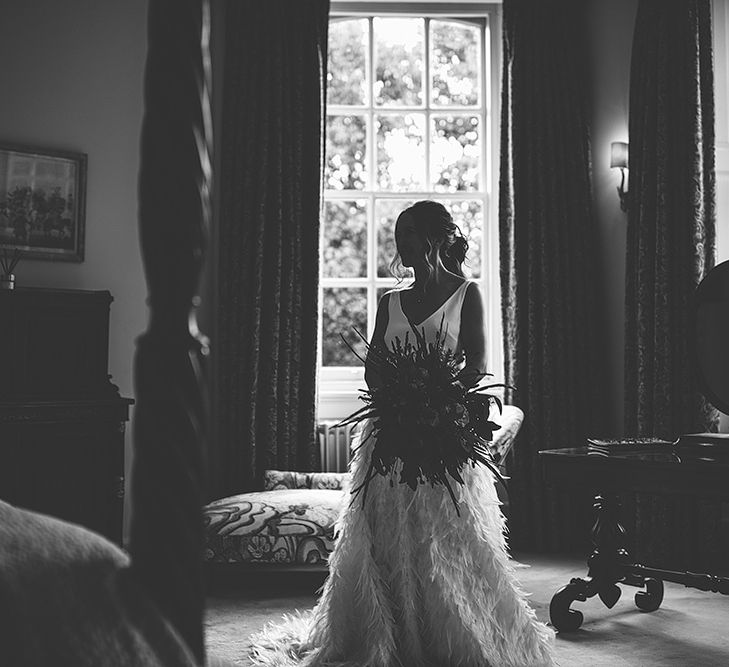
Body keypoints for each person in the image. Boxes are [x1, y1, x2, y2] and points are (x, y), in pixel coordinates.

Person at [249, 201, 555, 666]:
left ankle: (451, 634)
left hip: (444, 434)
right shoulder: (389, 302)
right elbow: (373, 367)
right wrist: (399, 398)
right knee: (385, 536)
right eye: (397, 233)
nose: (400, 241)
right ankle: (386, 634)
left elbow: (475, 365)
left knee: (443, 539)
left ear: (434, 237)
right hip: (388, 434)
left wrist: (435, 397)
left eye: (408, 232)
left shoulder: (466, 295)